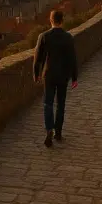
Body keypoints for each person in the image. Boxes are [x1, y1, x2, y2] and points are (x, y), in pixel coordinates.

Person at [33, 10, 78, 147]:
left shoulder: (44, 36)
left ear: (50, 20)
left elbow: (38, 58)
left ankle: (49, 129)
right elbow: (72, 59)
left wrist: (36, 74)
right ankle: (58, 131)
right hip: (63, 75)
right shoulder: (68, 37)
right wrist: (74, 77)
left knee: (48, 103)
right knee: (61, 104)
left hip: (49, 74)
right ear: (62, 20)